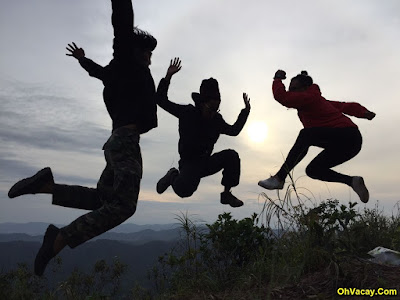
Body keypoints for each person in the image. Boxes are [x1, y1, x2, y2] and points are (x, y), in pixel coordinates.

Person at [8, 0, 158, 276]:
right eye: (148, 53)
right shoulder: (128, 63)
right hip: (124, 142)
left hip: (117, 142)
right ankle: (61, 238)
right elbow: (122, 23)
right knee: (124, 206)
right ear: (137, 51)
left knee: (104, 200)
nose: (151, 58)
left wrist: (82, 60)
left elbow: (100, 72)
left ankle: (46, 187)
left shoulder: (121, 72)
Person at [258, 70, 376, 203]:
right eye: (290, 89)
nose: (291, 93)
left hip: (347, 135)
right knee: (313, 170)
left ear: (305, 89)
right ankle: (352, 181)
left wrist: (277, 79)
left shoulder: (309, 98)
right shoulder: (317, 100)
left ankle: (279, 178)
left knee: (306, 135)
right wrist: (363, 112)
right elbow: (344, 106)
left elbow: (282, 97)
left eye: (294, 89)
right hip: (349, 145)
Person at [155, 58, 250, 207]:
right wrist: (168, 77)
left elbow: (234, 131)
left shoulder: (216, 120)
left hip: (205, 162)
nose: (213, 113)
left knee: (231, 155)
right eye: (211, 108)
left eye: (216, 109)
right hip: (189, 163)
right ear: (202, 103)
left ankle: (226, 194)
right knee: (185, 190)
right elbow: (161, 100)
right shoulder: (188, 113)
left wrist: (245, 112)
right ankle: (172, 175)